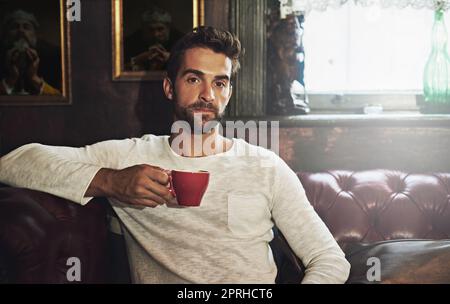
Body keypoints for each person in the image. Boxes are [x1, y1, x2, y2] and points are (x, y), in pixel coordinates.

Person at [0, 26, 350, 283]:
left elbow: (329, 258)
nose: (207, 94)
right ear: (170, 87)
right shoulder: (131, 158)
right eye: (194, 79)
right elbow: (13, 162)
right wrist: (112, 182)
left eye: (220, 82)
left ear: (228, 92)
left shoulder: (265, 166)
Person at [0, 9, 61, 95]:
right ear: (6, 35)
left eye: (26, 27)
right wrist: (10, 80)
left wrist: (34, 78)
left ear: (35, 34)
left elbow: (61, 97)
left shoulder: (53, 59)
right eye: (15, 27)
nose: (21, 31)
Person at [124, 6, 183, 71]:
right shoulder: (130, 41)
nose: (155, 34)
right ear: (143, 29)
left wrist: (171, 58)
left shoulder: (181, 41)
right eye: (150, 30)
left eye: (160, 29)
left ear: (168, 28)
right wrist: (137, 59)